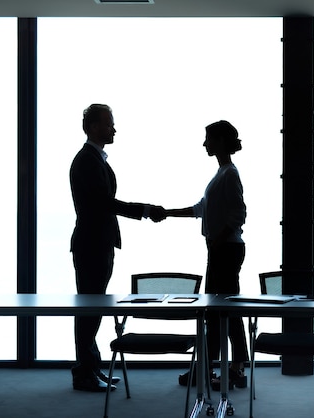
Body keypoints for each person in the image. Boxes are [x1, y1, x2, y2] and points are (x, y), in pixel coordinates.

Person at [69, 103, 165, 392]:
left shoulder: (94, 159)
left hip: (98, 243)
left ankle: (90, 369)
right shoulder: (88, 160)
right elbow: (103, 203)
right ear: (94, 127)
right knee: (89, 309)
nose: (114, 128)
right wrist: (145, 209)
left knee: (92, 308)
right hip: (92, 245)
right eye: (109, 123)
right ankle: (85, 372)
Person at [165, 120, 249, 390]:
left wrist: (217, 241)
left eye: (208, 139)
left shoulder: (229, 174)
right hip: (223, 248)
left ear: (221, 141)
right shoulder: (223, 173)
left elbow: (239, 214)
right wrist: (168, 212)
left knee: (219, 312)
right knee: (226, 310)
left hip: (225, 249)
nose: (205, 144)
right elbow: (202, 208)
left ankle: (216, 369)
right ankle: (230, 368)